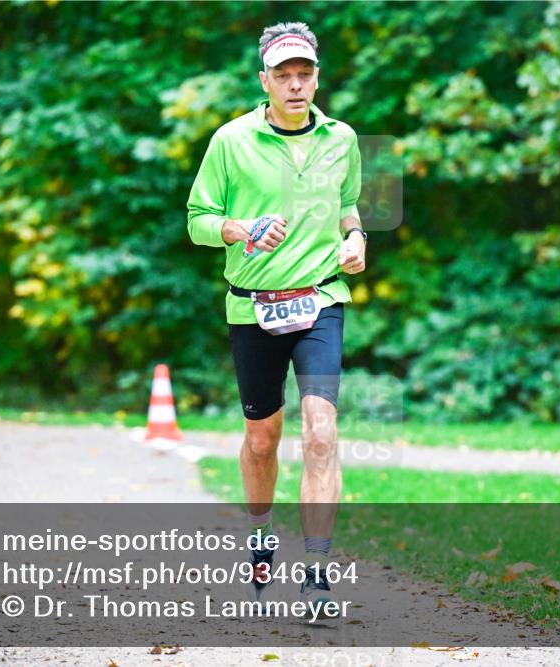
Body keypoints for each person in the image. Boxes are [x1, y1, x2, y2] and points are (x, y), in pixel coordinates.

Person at [186, 20, 366, 618]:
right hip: (252, 305)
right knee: (263, 439)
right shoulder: (230, 141)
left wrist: (356, 237)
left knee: (321, 432)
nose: (294, 85)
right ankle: (261, 535)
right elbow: (198, 220)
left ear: (317, 78)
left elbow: (347, 205)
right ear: (263, 80)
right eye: (282, 75)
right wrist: (240, 229)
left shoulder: (342, 138)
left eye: (303, 74)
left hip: (320, 300)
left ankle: (316, 574)